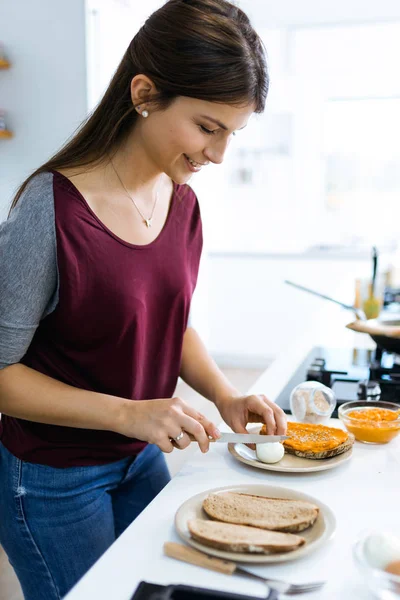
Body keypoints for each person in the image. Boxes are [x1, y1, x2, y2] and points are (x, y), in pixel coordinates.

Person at [0, 0, 287, 598]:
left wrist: (225, 394)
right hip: (53, 475)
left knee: (160, 591)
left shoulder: (182, 202)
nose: (218, 155)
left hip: (141, 457)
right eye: (207, 128)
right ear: (144, 93)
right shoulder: (49, 209)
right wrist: (130, 411)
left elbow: (167, 323)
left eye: (230, 134)